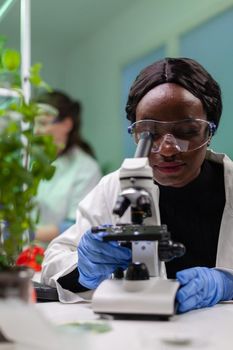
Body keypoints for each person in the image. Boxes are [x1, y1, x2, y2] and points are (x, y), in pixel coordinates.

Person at [41, 58, 233, 313]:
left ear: (209, 132)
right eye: (148, 133)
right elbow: (53, 263)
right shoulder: (115, 188)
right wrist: (84, 268)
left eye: (186, 130)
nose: (167, 149)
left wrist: (227, 283)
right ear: (135, 132)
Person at [34, 90, 102, 243]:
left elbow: (74, 226)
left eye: (43, 123)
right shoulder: (34, 161)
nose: (36, 130)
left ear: (67, 124)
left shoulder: (86, 168)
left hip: (62, 256)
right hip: (29, 255)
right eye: (34, 123)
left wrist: (28, 234)